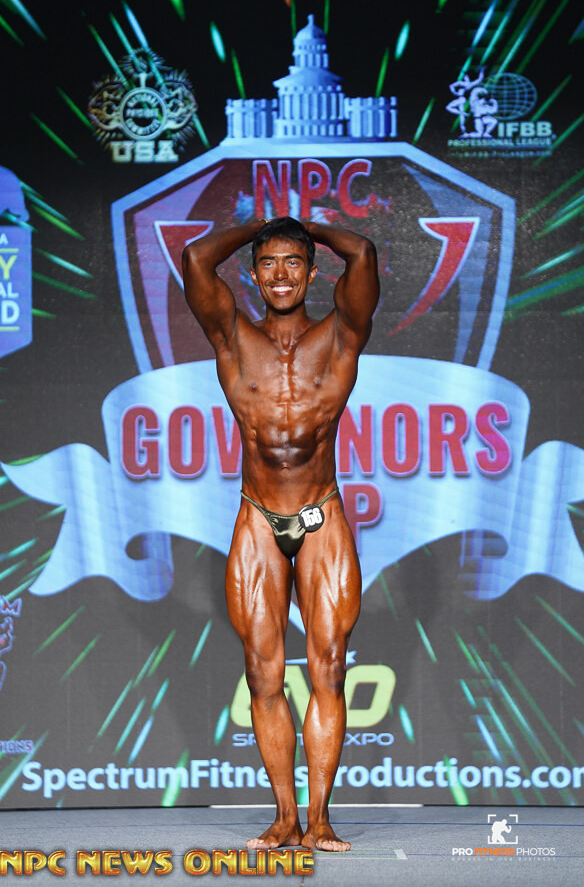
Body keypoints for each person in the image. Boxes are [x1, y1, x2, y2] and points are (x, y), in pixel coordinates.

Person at [182, 216, 379, 852]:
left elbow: (363, 252)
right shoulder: (233, 337)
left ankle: (319, 820)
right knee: (263, 676)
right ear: (253, 273)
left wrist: (306, 227)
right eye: (268, 263)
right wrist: (259, 229)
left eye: (294, 262)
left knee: (328, 668)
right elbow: (195, 260)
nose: (281, 274)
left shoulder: (341, 334)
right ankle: (285, 818)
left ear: (314, 272)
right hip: (258, 519)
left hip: (322, 514)